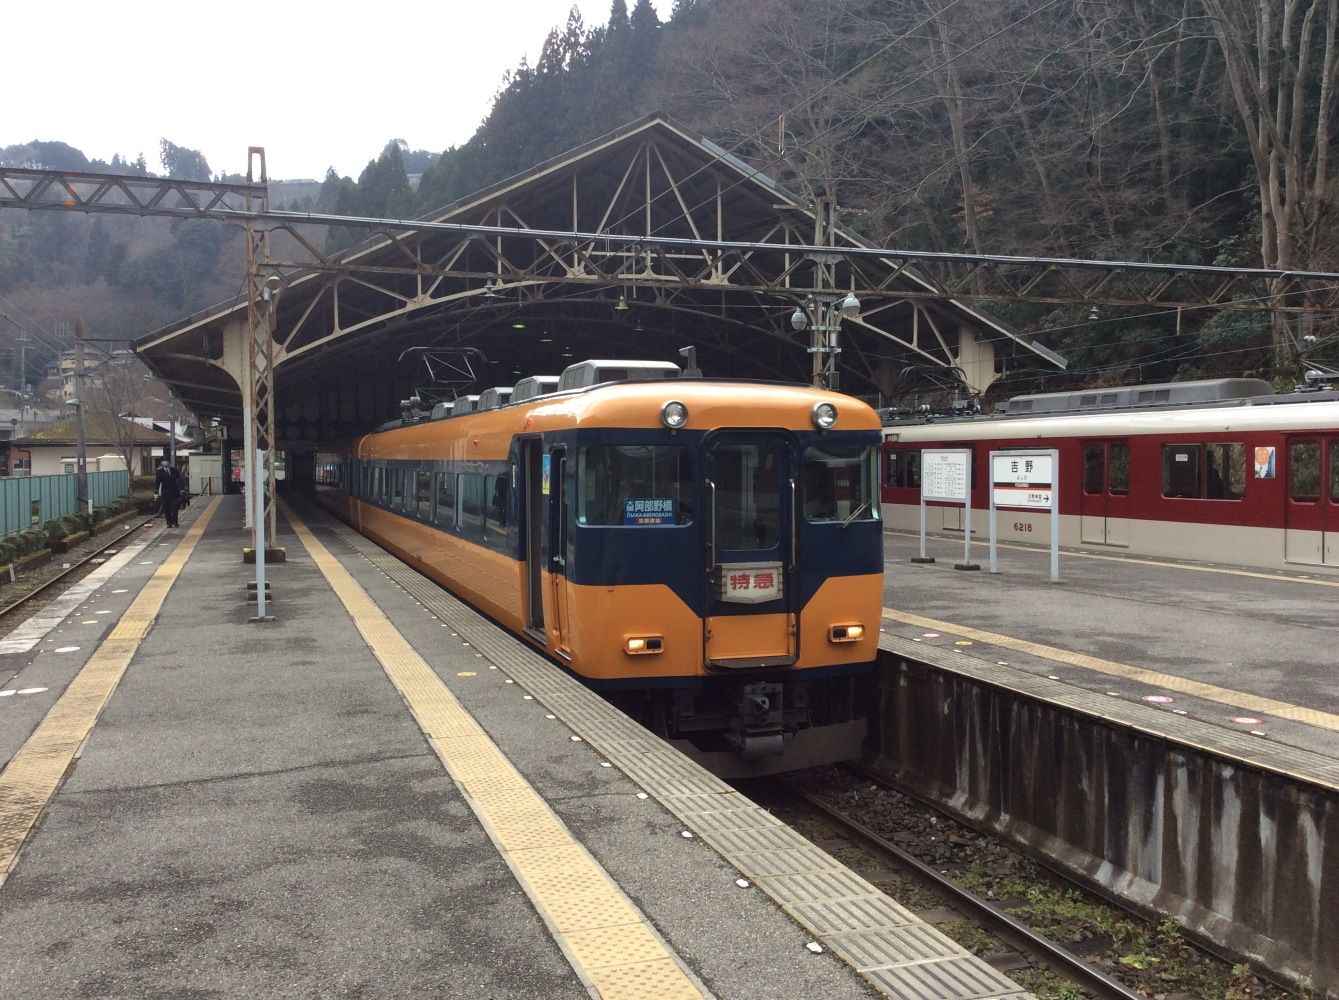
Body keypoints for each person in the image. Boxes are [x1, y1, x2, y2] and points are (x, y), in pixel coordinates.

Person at [155, 459, 182, 527]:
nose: (165, 462)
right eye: (164, 461)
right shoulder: (159, 472)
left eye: (167, 461)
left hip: (174, 492)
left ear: (169, 462)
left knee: (175, 507)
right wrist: (156, 493)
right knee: (166, 508)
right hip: (165, 493)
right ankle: (169, 523)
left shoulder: (174, 470)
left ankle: (175, 522)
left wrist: (182, 489)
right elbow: (157, 483)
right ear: (161, 463)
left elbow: (179, 479)